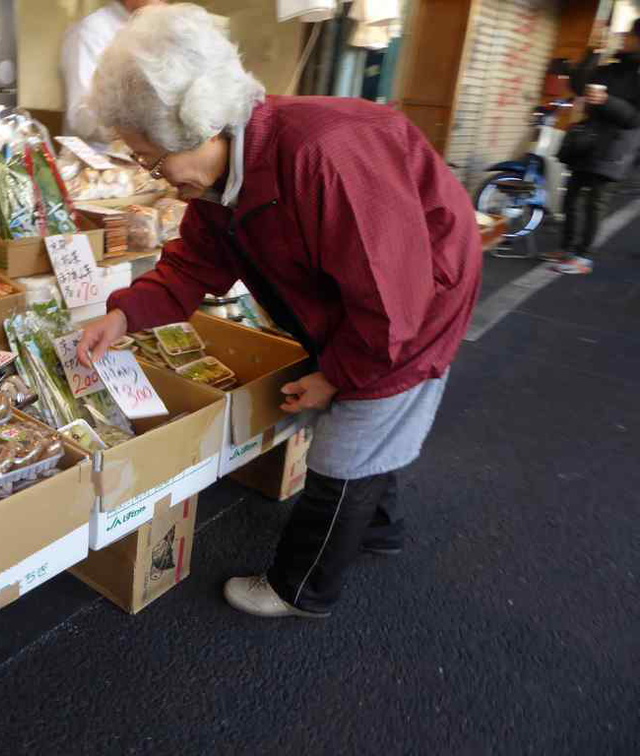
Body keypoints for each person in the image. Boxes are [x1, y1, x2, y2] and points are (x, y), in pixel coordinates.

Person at [76, 4, 482, 619]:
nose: (155, 177)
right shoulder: (219, 178)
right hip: (352, 304)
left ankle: (302, 587)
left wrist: (335, 377)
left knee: (346, 448)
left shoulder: (324, 156)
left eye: (152, 161)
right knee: (372, 432)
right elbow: (193, 265)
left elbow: (390, 309)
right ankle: (380, 525)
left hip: (417, 304)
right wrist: (124, 315)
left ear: (200, 127)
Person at [553, 20, 640, 274]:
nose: (623, 37)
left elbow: (636, 119)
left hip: (617, 147)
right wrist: (595, 53)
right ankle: (568, 248)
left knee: (595, 202)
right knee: (571, 196)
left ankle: (583, 257)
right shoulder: (613, 65)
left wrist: (607, 100)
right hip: (589, 141)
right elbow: (579, 85)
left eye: (630, 34)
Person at [60, 0, 164, 145]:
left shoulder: (162, 29)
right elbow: (80, 118)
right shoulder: (91, 31)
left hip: (149, 157)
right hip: (99, 160)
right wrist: (136, 129)